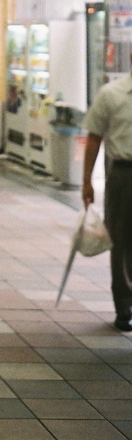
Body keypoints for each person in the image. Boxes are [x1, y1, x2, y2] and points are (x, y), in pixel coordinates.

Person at [82, 65, 132, 330]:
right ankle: (125, 307)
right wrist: (87, 181)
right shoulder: (111, 94)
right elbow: (93, 137)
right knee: (121, 239)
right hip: (123, 173)